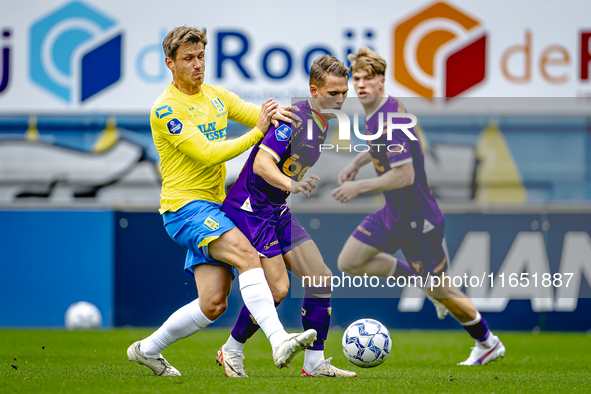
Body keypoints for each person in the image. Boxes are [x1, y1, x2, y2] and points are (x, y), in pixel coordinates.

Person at [127, 26, 316, 377]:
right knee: (247, 255)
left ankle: (146, 349)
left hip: (214, 209)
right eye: (188, 59)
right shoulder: (166, 110)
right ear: (170, 63)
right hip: (184, 208)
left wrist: (287, 116)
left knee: (213, 304)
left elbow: (255, 114)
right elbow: (209, 154)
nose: (197, 65)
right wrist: (258, 132)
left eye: (201, 57)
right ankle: (279, 342)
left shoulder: (216, 96)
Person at [332, 47, 506, 366]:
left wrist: (359, 186)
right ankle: (417, 281)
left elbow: (404, 175)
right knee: (349, 261)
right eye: (356, 78)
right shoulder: (377, 113)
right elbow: (380, 148)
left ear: (382, 81)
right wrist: (358, 162)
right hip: (393, 215)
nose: (360, 85)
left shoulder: (391, 118)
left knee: (443, 292)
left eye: (367, 78)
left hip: (418, 222)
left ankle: (487, 341)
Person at [215, 55, 356, 378]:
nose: (340, 99)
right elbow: (263, 165)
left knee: (321, 278)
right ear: (313, 90)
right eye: (333, 92)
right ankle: (231, 350)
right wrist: (291, 184)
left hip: (276, 210)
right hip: (251, 210)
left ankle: (314, 363)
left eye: (344, 93)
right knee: (277, 289)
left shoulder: (324, 122)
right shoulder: (295, 120)